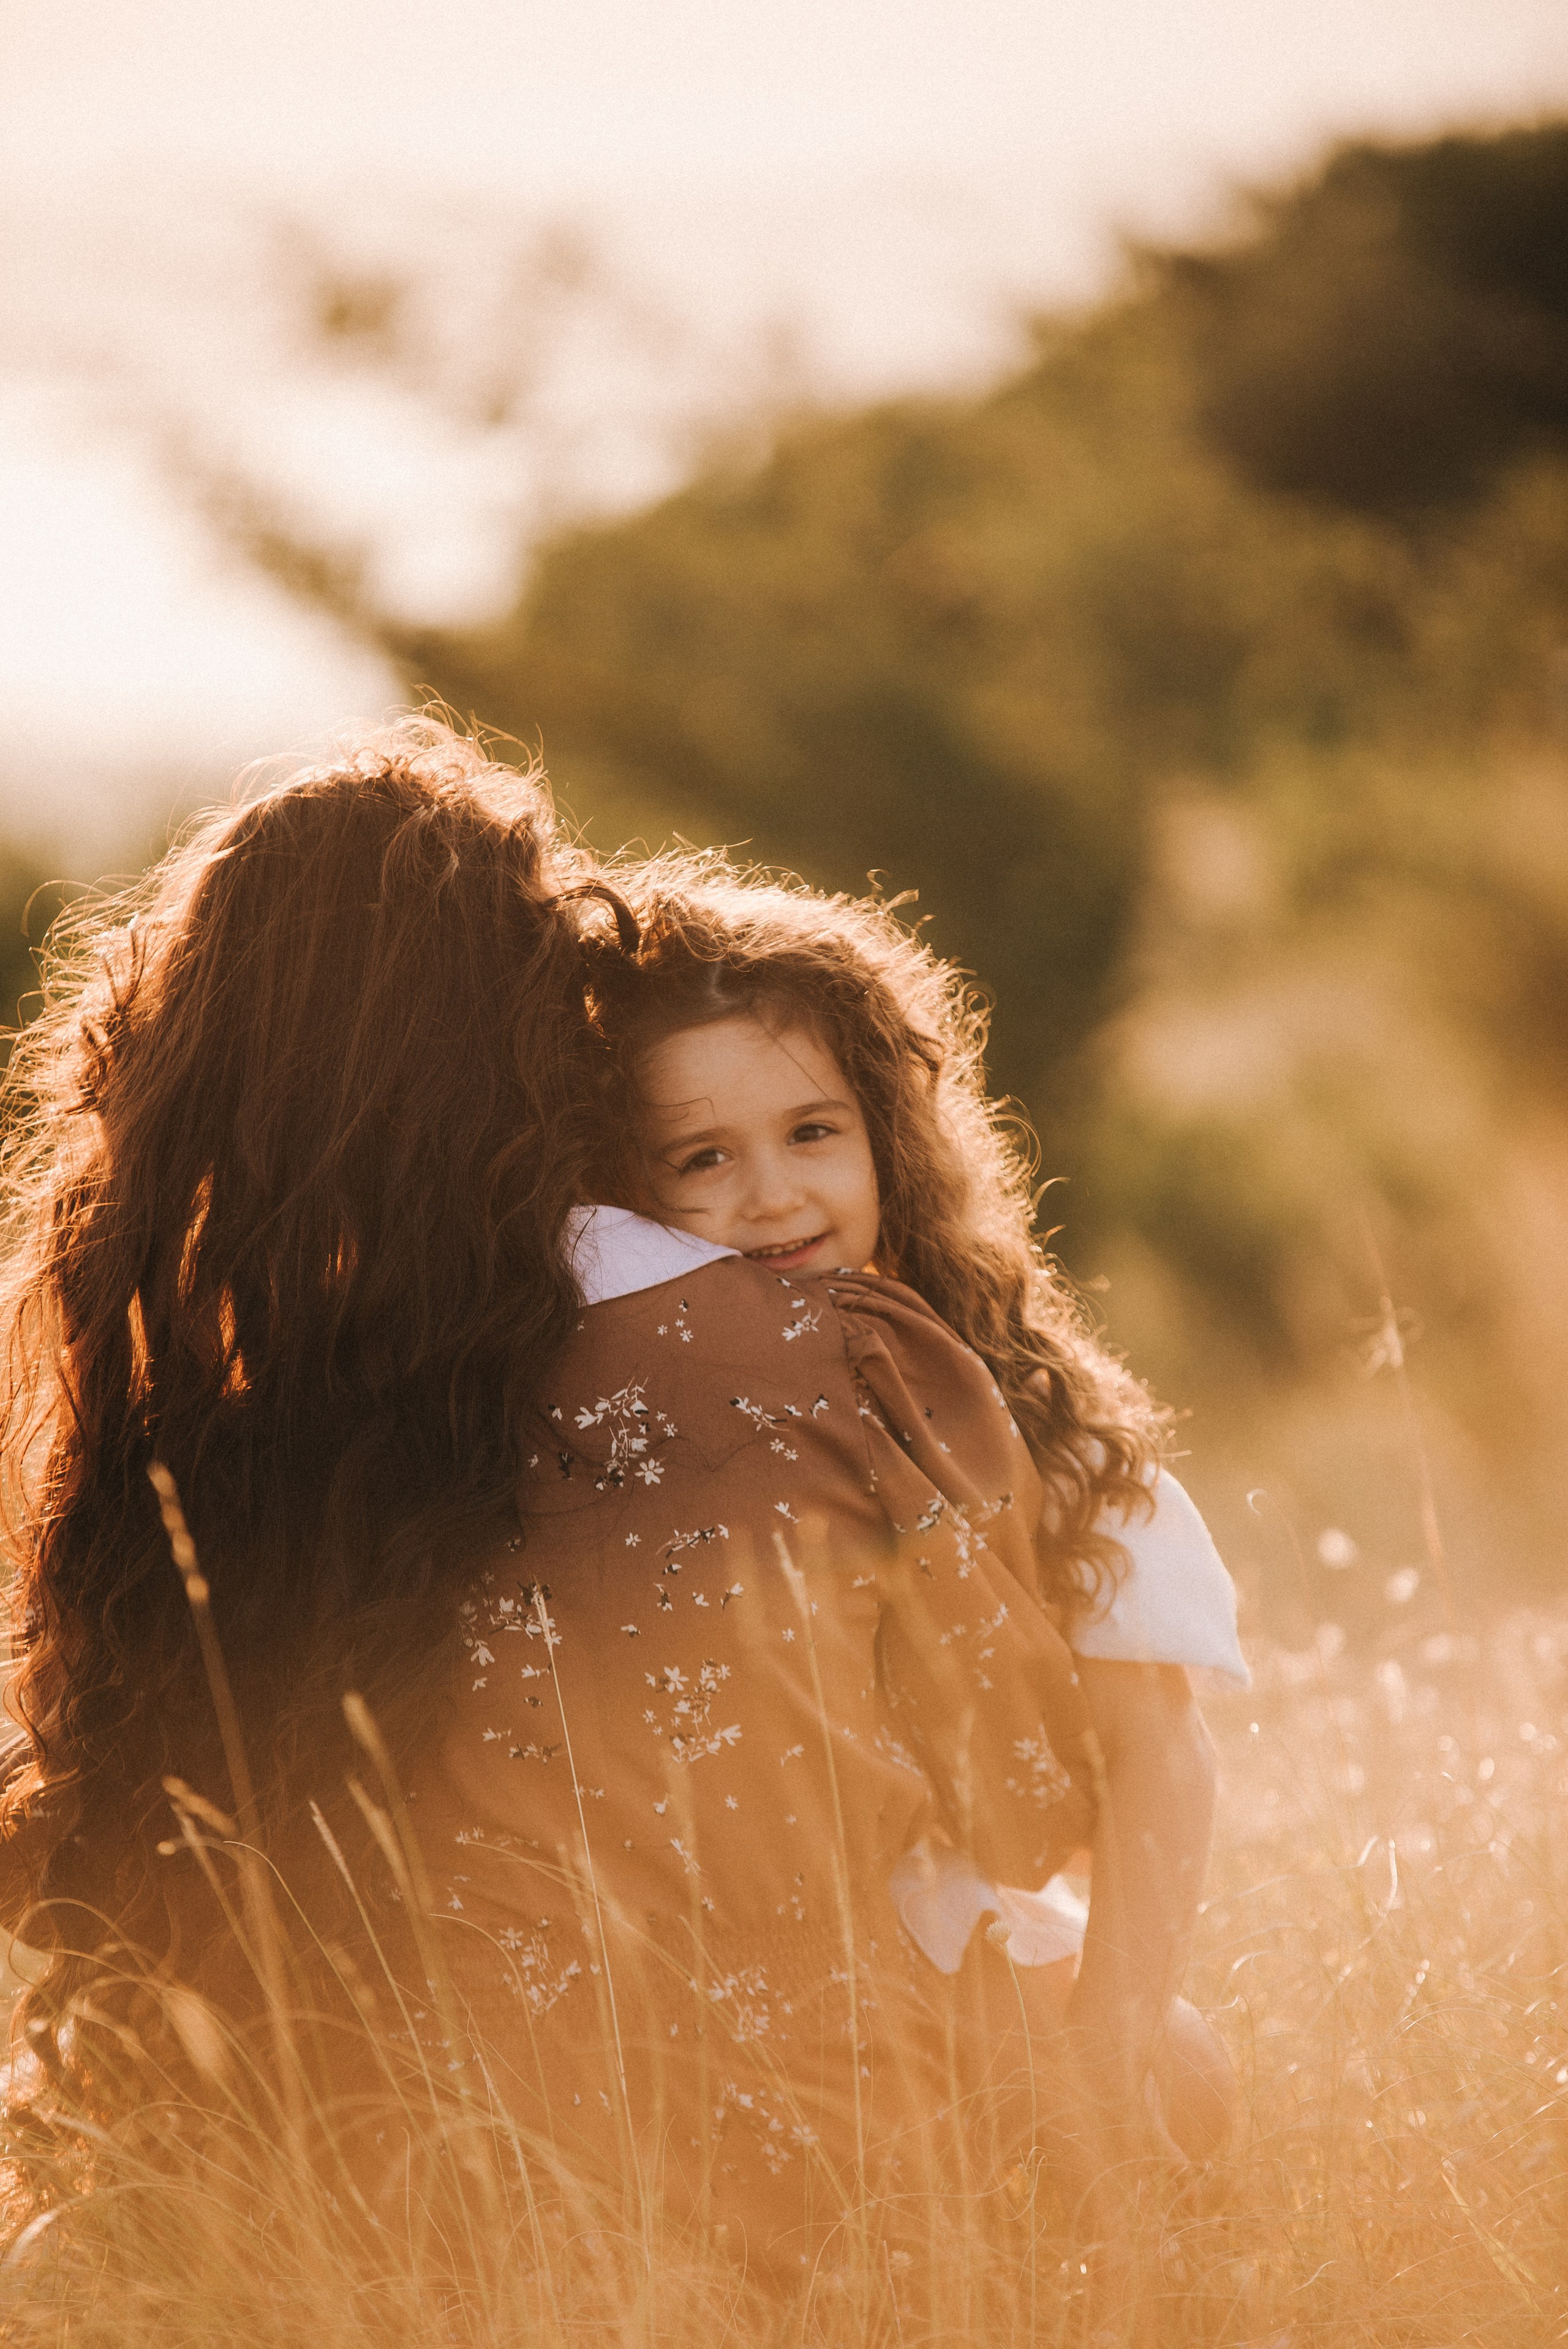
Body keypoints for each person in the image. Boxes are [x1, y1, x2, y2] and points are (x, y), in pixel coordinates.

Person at [409, 855, 1244, 2266]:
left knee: (1178, 2073)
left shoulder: (1023, 1403)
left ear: (888, 1142)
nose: (770, 1196)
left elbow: (1154, 1749)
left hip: (923, 1931)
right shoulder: (626, 1418)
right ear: (624, 1194)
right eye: (701, 1158)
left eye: (812, 1132)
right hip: (677, 1982)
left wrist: (1103, 2049)